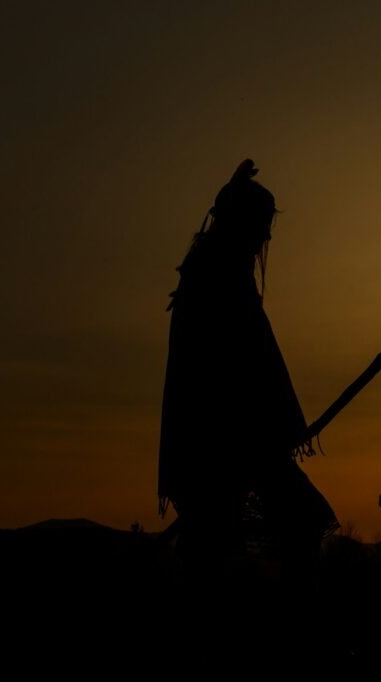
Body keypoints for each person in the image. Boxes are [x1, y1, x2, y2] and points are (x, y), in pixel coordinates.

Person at [158, 159, 338, 573]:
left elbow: (256, 360)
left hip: (232, 442)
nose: (265, 238)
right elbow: (235, 367)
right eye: (261, 227)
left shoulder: (216, 273)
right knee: (284, 527)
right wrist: (273, 428)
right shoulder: (215, 278)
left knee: (226, 542)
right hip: (222, 445)